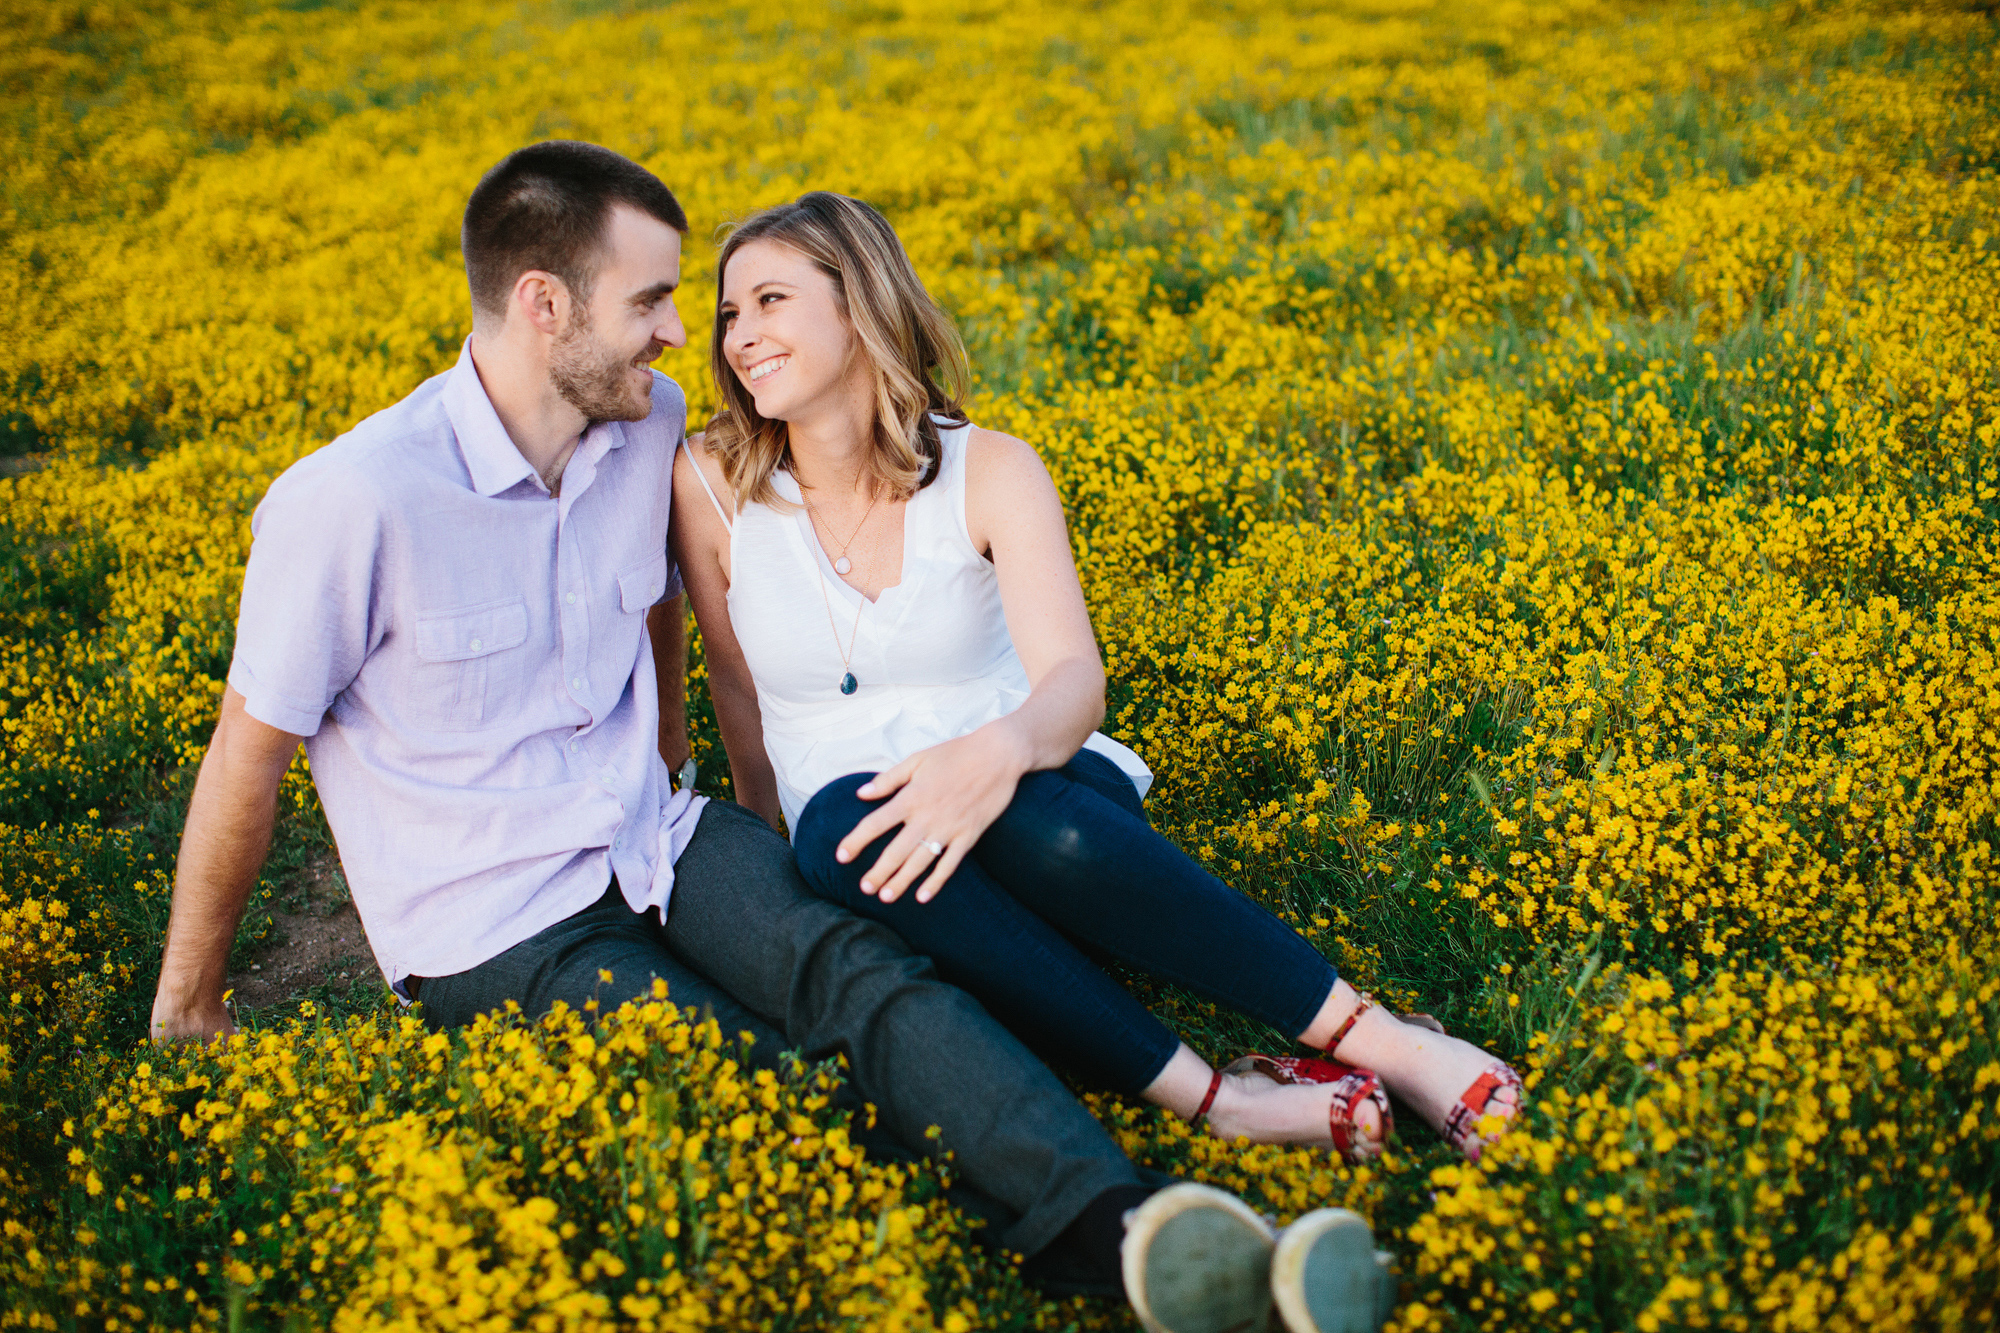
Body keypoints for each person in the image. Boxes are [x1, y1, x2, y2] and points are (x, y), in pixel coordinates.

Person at [671, 191, 1522, 1171]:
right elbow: (739, 699)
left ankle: (1387, 1044)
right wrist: (767, 863)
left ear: (858, 306)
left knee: (1034, 816)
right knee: (839, 834)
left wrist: (998, 754)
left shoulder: (989, 470)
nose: (739, 337)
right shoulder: (711, 489)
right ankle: (1224, 1101)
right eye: (731, 313)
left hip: (1043, 809)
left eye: (769, 300)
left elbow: (1073, 678)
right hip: (871, 855)